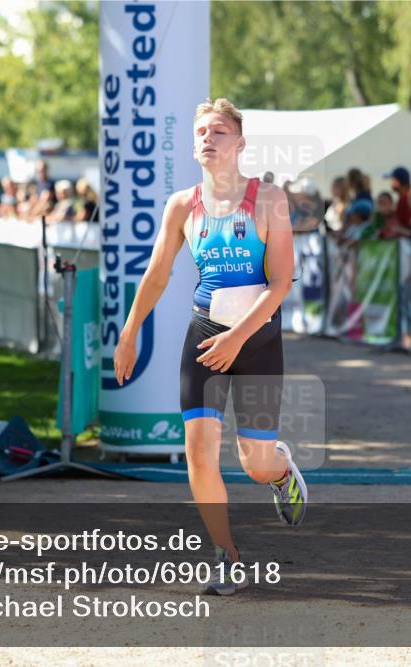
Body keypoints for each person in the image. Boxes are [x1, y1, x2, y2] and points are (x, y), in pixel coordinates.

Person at [112, 98, 308, 596]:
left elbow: (280, 283)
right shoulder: (182, 205)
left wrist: (237, 337)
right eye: (201, 131)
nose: (207, 138)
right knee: (199, 453)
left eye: (218, 131)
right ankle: (226, 555)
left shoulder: (269, 200)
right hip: (204, 335)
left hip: (256, 339)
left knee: (254, 464)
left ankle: (280, 471)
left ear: (240, 144)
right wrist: (129, 333)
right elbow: (157, 274)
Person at [387, 166, 411, 231]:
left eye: (393, 180)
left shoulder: (404, 199)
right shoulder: (406, 197)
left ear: (398, 182)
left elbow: (406, 225)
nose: (391, 183)